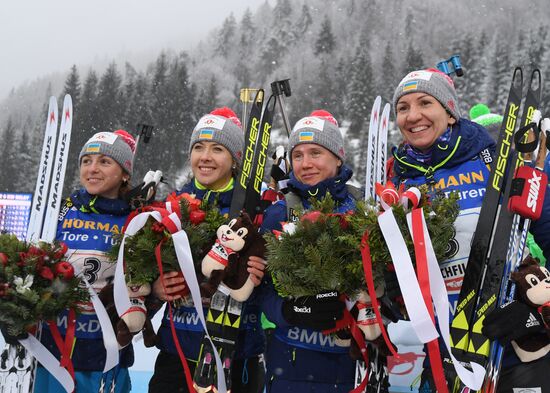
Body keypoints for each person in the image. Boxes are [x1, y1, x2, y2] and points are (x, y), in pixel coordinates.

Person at [390, 68, 550, 392]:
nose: (413, 115)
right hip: (446, 356)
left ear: (450, 113)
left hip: (515, 350)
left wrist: (536, 310)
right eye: (403, 107)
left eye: (425, 102)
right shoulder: (401, 181)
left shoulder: (494, 161)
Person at [148, 107, 267, 393]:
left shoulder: (257, 210)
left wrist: (259, 277)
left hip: (237, 355)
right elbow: (140, 276)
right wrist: (156, 288)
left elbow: (274, 284)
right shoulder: (172, 208)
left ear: (236, 158)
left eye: (218, 149)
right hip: (177, 353)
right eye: (198, 147)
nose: (205, 157)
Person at [259, 110, 358, 392]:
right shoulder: (279, 211)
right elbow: (261, 290)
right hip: (291, 364)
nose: (305, 163)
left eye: (316, 152)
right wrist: (291, 310)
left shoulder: (359, 208)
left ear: (338, 157)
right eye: (298, 155)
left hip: (351, 364)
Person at [35, 130, 137, 392]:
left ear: (125, 172)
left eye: (104, 162)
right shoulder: (60, 211)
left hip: (104, 352)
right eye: (86, 161)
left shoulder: (137, 220)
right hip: (50, 349)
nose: (92, 169)